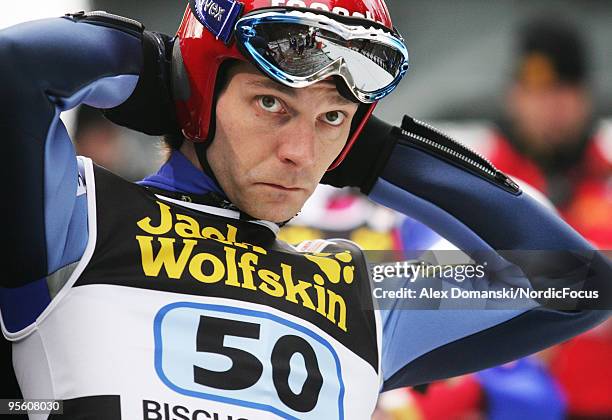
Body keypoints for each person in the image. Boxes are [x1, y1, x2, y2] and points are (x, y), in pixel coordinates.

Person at [0, 1, 610, 419]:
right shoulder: (79, 218)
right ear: (200, 90)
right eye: (271, 103)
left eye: (331, 118)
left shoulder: (363, 295)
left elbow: (577, 281)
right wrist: (167, 75)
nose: (299, 154)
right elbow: (18, 66)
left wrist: (371, 153)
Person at [488, 16, 612, 248]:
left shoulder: (606, 184)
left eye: (565, 89)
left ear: (586, 98)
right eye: (540, 91)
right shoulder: (480, 184)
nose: (553, 105)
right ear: (514, 96)